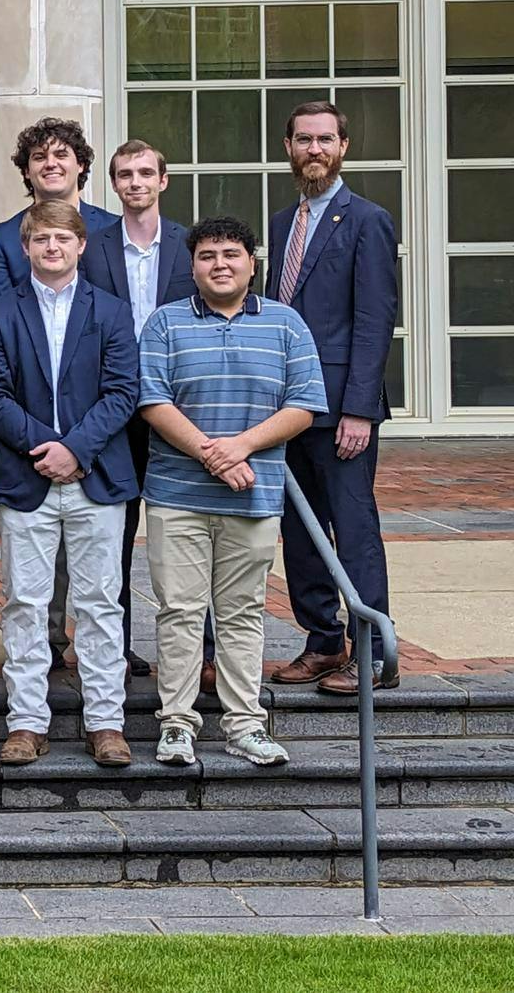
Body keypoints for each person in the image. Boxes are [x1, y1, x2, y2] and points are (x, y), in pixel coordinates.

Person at [140, 217, 327, 768]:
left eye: (230, 254)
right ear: (192, 265)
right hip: (177, 497)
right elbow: (153, 401)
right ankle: (177, 723)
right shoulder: (165, 323)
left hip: (254, 497)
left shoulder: (287, 324)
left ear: (252, 261)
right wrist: (211, 454)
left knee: (242, 613)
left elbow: (303, 405)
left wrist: (239, 448)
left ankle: (245, 724)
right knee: (179, 610)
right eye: (207, 256)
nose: (219, 264)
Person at [0, 201, 141, 768]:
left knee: (100, 603)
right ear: (26, 248)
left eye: (62, 239)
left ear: (81, 245)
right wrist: (47, 446)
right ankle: (25, 721)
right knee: (24, 602)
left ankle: (106, 722)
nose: (52, 248)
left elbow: (123, 391)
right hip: (28, 477)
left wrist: (77, 449)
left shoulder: (113, 312)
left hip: (97, 477)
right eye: (41, 239)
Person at [264, 102, 401, 696]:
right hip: (285, 408)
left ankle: (371, 654)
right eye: (303, 140)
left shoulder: (367, 220)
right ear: (288, 147)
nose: (313, 149)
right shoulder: (278, 223)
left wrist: (359, 409)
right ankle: (322, 642)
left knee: (352, 524)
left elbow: (375, 319)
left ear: (344, 145)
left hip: (342, 406)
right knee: (299, 529)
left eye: (325, 139)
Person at [84, 139, 199, 680]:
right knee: (115, 532)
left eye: (145, 172)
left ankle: (205, 651)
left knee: (193, 528)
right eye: (125, 174)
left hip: (179, 405)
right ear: (113, 184)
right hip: (114, 407)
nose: (136, 182)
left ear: (163, 180)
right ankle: (120, 647)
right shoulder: (94, 246)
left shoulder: (190, 245)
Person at [0, 117, 120, 305]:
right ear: (26, 171)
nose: (50, 164)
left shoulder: (113, 228)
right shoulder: (1, 239)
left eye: (61, 155)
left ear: (81, 165)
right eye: (39, 157)